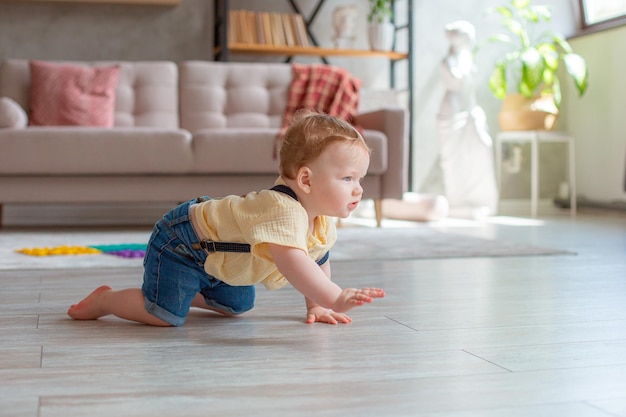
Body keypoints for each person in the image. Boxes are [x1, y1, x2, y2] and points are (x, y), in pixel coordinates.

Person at [67, 111, 385, 327]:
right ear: (306, 181)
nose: (358, 189)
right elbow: (295, 264)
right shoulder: (282, 209)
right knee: (164, 317)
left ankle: (182, 289)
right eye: (348, 178)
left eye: (360, 179)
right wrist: (334, 296)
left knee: (239, 305)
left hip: (218, 254)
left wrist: (317, 305)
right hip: (182, 243)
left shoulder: (321, 219)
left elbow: (317, 260)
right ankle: (107, 300)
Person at [437, 20, 498, 219]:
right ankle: (457, 201)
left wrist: (474, 112)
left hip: (467, 107)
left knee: (477, 151)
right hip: (452, 108)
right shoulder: (450, 59)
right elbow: (459, 81)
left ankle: (474, 200)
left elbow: (468, 87)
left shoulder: (465, 57)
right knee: (451, 157)